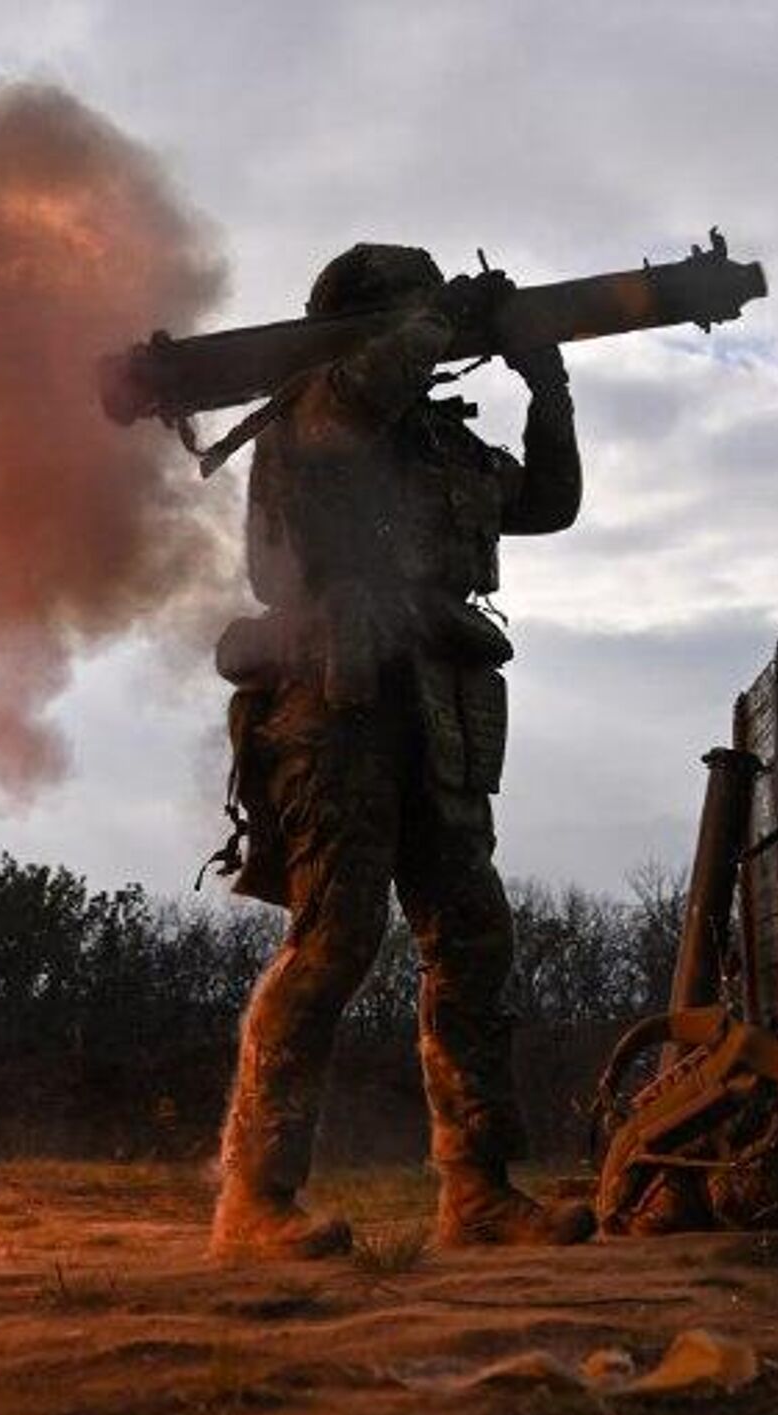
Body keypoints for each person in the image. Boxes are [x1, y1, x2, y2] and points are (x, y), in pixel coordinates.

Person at [209, 242, 594, 1259]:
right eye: (414, 312)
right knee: (334, 939)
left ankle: (478, 1192)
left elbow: (550, 502)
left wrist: (546, 381)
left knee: (471, 940)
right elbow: (351, 408)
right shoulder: (315, 405)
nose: (437, 328)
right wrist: (439, 323)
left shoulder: (437, 441)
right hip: (334, 701)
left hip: (435, 706)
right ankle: (255, 1199)